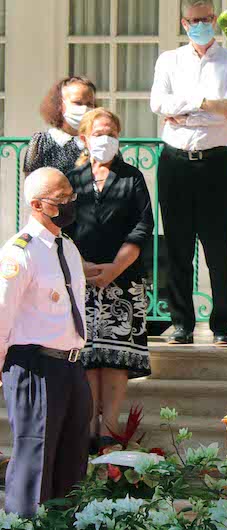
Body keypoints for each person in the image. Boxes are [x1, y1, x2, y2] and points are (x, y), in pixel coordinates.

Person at [150, 0, 227, 345]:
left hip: (216, 162)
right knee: (178, 247)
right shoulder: (169, 61)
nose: (200, 25)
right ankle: (182, 324)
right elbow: (159, 104)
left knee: (218, 248)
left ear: (214, 20)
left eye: (206, 19)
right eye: (193, 20)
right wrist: (206, 104)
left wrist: (184, 111)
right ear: (184, 23)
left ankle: (221, 326)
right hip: (176, 162)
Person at [0, 167, 91, 516]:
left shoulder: (67, 247)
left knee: (72, 462)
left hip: (70, 364)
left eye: (72, 196)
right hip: (33, 365)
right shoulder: (19, 251)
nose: (70, 203)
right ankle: (24, 524)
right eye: (61, 200)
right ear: (38, 205)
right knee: (35, 460)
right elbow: (2, 316)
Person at [64, 108, 154, 445]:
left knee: (116, 357)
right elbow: (61, 226)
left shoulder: (132, 177)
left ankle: (109, 430)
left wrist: (115, 267)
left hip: (123, 279)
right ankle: (86, 430)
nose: (106, 139)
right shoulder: (71, 181)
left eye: (112, 133)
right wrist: (82, 267)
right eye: (100, 132)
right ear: (85, 138)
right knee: (87, 357)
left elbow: (143, 225)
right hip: (80, 278)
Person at [24, 76, 97, 176]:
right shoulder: (41, 142)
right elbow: (31, 183)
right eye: (77, 103)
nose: (84, 108)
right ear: (59, 104)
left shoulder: (100, 141)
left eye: (89, 104)